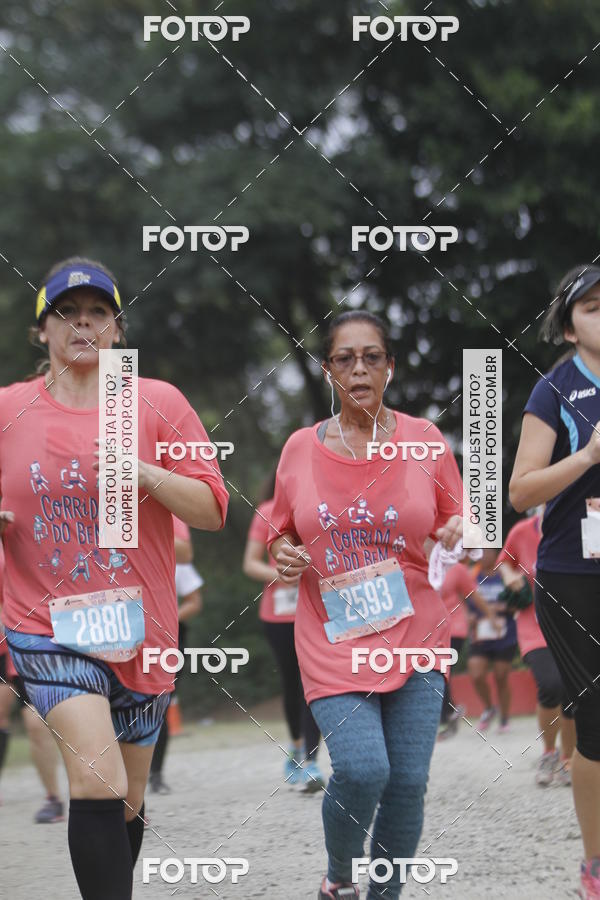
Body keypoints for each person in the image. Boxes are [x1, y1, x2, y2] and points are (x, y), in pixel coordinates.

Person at [1, 257, 228, 900]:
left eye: (98, 313)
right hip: (46, 625)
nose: (82, 324)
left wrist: (144, 473)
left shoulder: (155, 402)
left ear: (118, 331)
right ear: (40, 331)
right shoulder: (8, 409)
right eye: (66, 313)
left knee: (125, 800)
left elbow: (213, 509)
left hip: (141, 625)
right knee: (99, 781)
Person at [269, 310, 466, 900]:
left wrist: (457, 527)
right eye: (345, 358)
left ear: (389, 367)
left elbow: (455, 514)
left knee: (407, 783)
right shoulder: (301, 448)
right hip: (333, 635)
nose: (359, 367)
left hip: (417, 629)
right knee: (361, 769)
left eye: (371, 356)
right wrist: (284, 556)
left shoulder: (426, 441)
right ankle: (339, 876)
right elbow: (281, 532)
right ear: (329, 370)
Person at [509, 263, 600, 898]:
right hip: (575, 573)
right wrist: (589, 456)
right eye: (592, 307)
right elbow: (518, 491)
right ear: (569, 327)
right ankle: (595, 864)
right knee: (596, 721)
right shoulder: (555, 389)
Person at [243, 472, 324, 791]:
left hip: (318, 608)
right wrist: (283, 574)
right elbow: (250, 564)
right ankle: (297, 745)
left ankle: (312, 761)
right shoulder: (265, 511)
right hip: (278, 615)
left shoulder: (320, 507)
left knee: (313, 680)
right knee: (292, 683)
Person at [497, 507, 576, 785]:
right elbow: (504, 562)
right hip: (534, 627)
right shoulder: (521, 531)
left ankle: (568, 759)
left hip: (574, 626)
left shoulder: (578, 523)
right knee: (551, 684)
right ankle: (548, 752)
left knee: (572, 692)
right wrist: (509, 577)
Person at [0, 544, 65, 820]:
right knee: (35, 724)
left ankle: (128, 800)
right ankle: (54, 799)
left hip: (71, 627)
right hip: (23, 639)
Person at [149, 516, 204, 794]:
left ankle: (156, 775)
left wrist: (167, 618)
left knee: (162, 702)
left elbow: (195, 602)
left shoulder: (176, 560)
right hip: (133, 635)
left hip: (172, 637)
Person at [438, 560, 503, 739]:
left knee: (441, 669)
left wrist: (490, 617)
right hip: (430, 630)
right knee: (438, 671)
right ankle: (450, 711)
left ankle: (448, 713)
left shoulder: (456, 568)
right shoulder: (420, 564)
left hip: (454, 628)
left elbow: (474, 595)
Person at [461, 549, 518, 734]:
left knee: (501, 676)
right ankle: (489, 708)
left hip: (504, 632)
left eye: (488, 552)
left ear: (496, 554)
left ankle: (505, 718)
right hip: (480, 633)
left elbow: (520, 600)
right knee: (476, 674)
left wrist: (503, 606)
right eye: (480, 553)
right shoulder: (471, 574)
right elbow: (461, 599)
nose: (484, 556)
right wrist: (467, 615)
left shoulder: (505, 574)